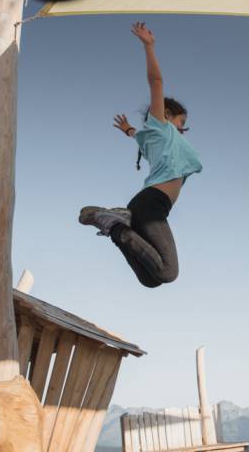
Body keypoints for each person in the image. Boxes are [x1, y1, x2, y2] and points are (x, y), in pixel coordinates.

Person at [79, 22, 202, 287]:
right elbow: (156, 82)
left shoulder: (151, 140)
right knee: (168, 272)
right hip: (151, 204)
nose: (182, 127)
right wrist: (149, 46)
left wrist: (128, 130)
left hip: (148, 205)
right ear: (167, 115)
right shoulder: (161, 126)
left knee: (152, 279)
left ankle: (115, 226)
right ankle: (113, 223)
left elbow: (137, 135)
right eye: (181, 120)